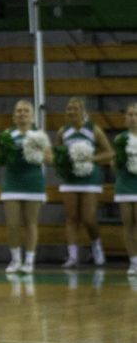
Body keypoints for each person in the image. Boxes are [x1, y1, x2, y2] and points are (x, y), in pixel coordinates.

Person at [54, 96, 114, 267]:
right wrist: (63, 162)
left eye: (75, 108)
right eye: (69, 108)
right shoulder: (62, 132)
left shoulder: (94, 130)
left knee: (88, 218)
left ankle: (96, 246)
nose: (72, 111)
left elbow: (109, 153)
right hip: (69, 179)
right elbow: (57, 154)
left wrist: (90, 158)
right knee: (71, 217)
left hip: (90, 179)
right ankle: (73, 256)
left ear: (83, 111)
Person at [0, 100, 53, 274]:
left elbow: (50, 159)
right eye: (18, 111)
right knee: (12, 224)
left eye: (26, 111)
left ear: (32, 115)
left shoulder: (39, 134)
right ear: (13, 115)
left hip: (33, 183)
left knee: (31, 223)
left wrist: (37, 152)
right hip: (12, 183)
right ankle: (15, 260)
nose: (22, 114)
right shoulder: (7, 134)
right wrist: (2, 150)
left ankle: (29, 261)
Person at [113, 102, 137, 276]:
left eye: (136, 114)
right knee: (128, 224)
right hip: (124, 186)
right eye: (130, 114)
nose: (133, 118)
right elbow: (114, 166)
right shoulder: (120, 139)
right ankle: (133, 261)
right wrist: (116, 162)